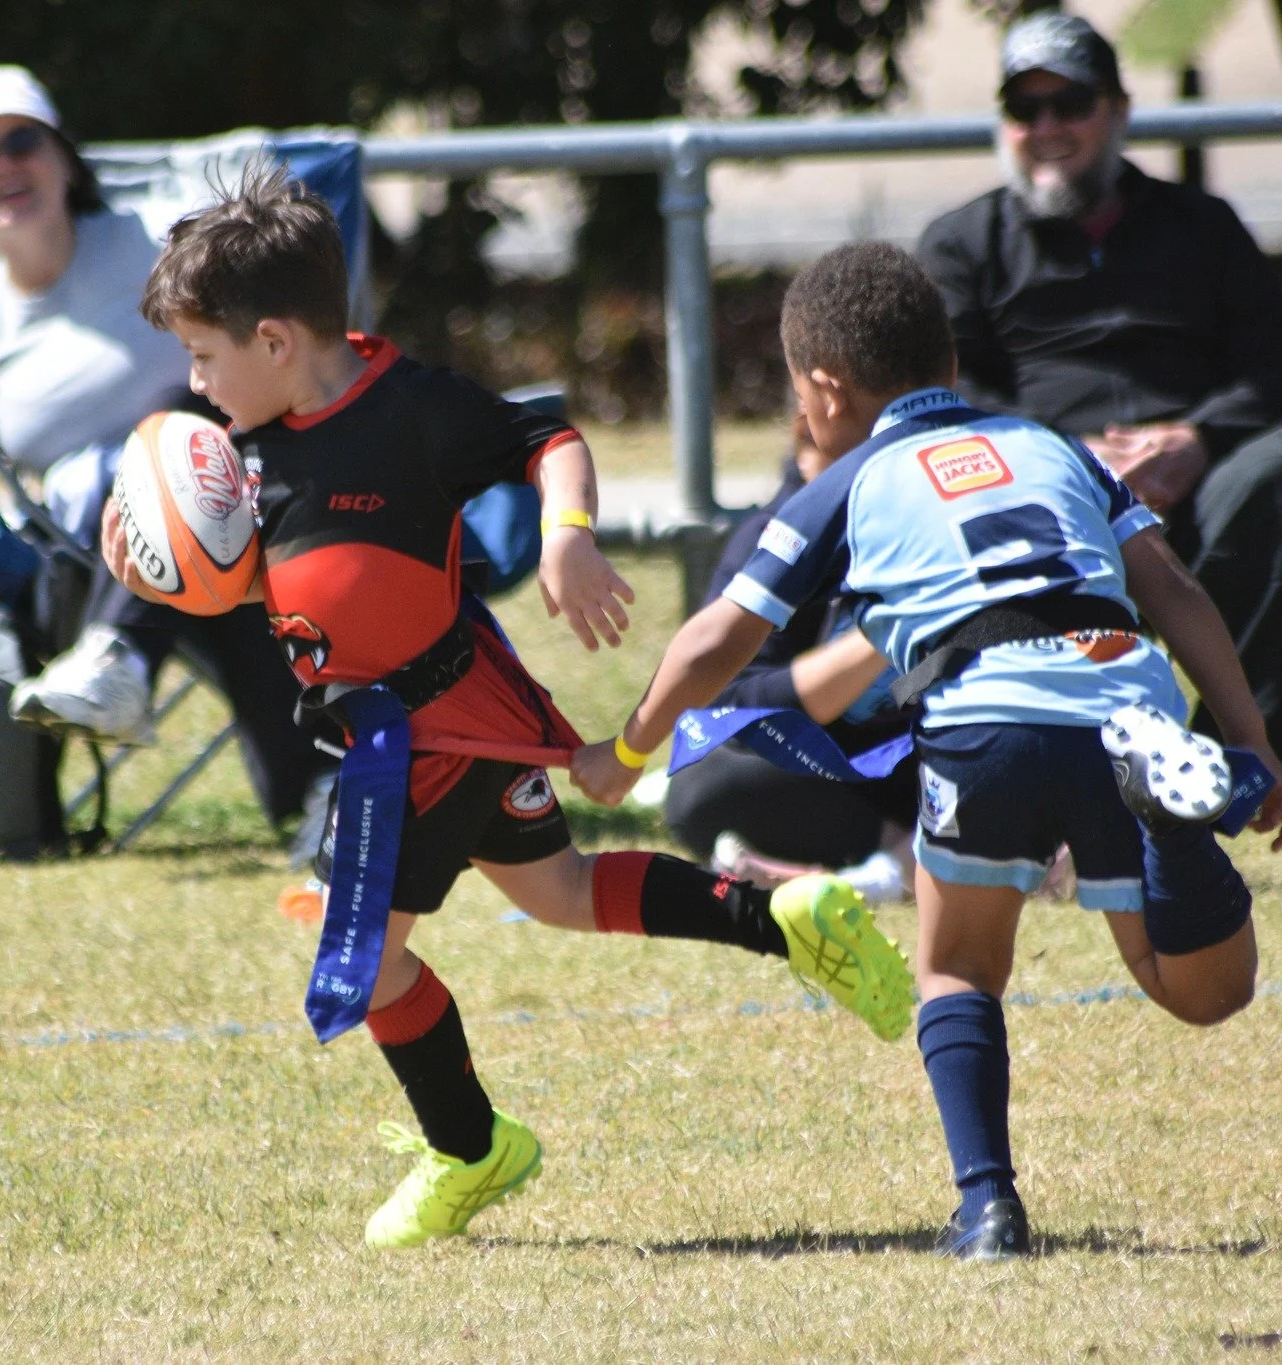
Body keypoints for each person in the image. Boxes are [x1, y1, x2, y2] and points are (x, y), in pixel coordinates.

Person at [102, 166, 917, 1250]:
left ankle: (468, 1147)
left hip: (421, 739)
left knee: (365, 961)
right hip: (455, 716)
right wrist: (168, 574)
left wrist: (565, 534)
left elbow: (551, 438)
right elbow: (280, 571)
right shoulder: (254, 444)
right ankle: (787, 920)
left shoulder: (410, 412)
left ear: (274, 339)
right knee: (562, 892)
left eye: (204, 357)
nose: (195, 385)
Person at [572, 242, 1282, 1260]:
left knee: (956, 964)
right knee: (1198, 991)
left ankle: (988, 1206)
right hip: (1120, 692)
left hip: (984, 713)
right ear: (949, 360)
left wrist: (622, 749)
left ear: (822, 389)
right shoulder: (1052, 445)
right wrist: (1251, 739)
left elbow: (710, 643)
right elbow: (1172, 587)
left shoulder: (854, 475)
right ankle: (1175, 834)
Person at [0, 64, 328, 855]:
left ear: (64, 158)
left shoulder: (162, 243)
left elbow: (284, 350)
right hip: (85, 559)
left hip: (241, 501)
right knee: (192, 524)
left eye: (23, 141)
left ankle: (128, 667)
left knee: (189, 450)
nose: (5, 166)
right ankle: (323, 789)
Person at [916, 12, 1282, 766]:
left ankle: (1245, 758)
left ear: (1119, 111)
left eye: (1070, 104)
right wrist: (1057, 458)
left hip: (1198, 475)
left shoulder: (1202, 225)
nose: (1047, 127)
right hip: (1039, 481)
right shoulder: (962, 243)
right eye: (1024, 108)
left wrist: (1199, 440)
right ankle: (1034, 756)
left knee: (1278, 481)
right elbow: (942, 388)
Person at [663, 412, 917, 903]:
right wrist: (880, 638)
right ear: (814, 423)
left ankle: (879, 873)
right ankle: (884, 867)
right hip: (837, 771)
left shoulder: (935, 527)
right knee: (703, 790)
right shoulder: (776, 539)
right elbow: (734, 711)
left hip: (941, 755)